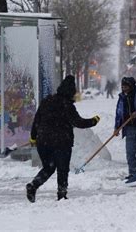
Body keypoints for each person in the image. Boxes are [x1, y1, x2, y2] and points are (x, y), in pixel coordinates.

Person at [26, 75, 100, 203]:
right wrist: (94, 121)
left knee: (49, 167)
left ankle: (33, 186)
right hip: (61, 142)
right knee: (62, 169)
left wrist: (33, 138)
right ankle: (62, 194)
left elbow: (36, 120)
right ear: (71, 92)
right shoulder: (67, 105)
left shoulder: (47, 101)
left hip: (43, 142)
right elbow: (79, 122)